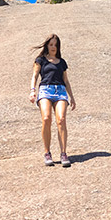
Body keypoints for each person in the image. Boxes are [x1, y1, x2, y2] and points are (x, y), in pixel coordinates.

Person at [29, 33, 76, 167]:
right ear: (47, 46)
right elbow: (35, 76)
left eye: (55, 45)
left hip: (60, 91)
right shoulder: (40, 60)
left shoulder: (62, 62)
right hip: (45, 90)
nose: (53, 47)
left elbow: (66, 81)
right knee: (46, 118)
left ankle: (63, 153)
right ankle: (47, 152)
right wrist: (32, 91)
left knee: (61, 119)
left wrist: (72, 97)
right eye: (51, 45)